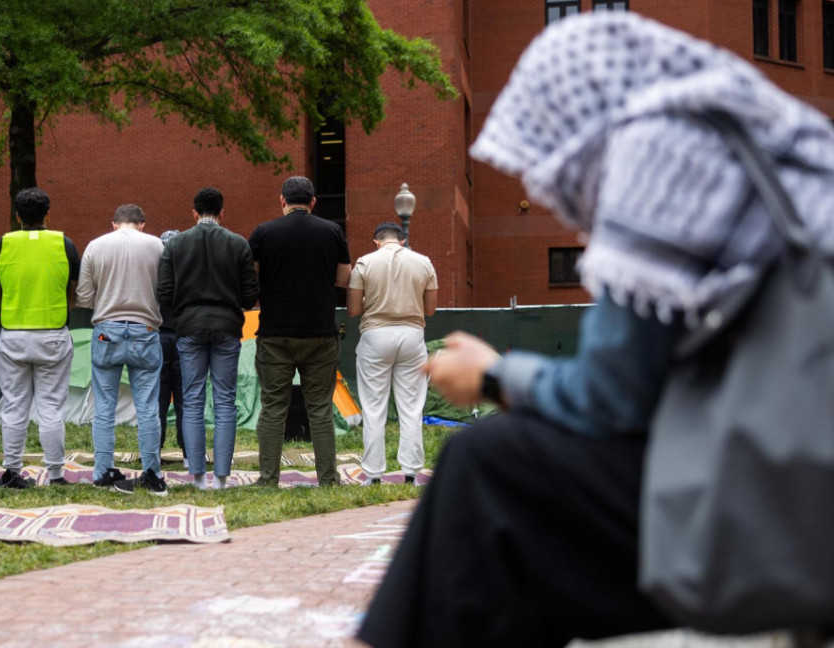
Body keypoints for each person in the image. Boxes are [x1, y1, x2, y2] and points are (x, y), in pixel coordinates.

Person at [357, 12, 834, 648]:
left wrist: (494, 374)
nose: (547, 189)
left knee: (489, 463)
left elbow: (612, 398)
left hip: (782, 510)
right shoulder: (777, 147)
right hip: (803, 474)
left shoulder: (658, 153)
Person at [248, 176, 350, 487]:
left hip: (275, 333)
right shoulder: (332, 231)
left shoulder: (263, 233)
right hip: (320, 333)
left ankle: (267, 479)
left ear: (282, 200)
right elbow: (344, 279)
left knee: (273, 407)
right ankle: (329, 479)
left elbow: (252, 285)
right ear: (313, 202)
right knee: (319, 409)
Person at [158, 187, 258, 489]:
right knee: (226, 400)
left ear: (194, 212)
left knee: (191, 400)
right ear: (222, 212)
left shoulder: (176, 245)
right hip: (228, 327)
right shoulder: (238, 244)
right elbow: (251, 296)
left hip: (188, 328)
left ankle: (199, 477)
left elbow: (163, 293)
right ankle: (222, 478)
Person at [0, 187, 80, 489]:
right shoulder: (63, 244)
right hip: (53, 333)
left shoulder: (3, 244)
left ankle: (12, 470)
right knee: (51, 407)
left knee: (14, 405)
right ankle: (55, 474)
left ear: (17, 216)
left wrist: (8, 308)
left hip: (13, 334)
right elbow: (73, 289)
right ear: (47, 214)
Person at [76, 204, 167, 495]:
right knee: (148, 407)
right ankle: (152, 473)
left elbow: (85, 297)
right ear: (142, 224)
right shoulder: (158, 246)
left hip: (107, 331)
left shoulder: (96, 245)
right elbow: (166, 290)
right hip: (146, 330)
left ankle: (103, 472)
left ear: (114, 224)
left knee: (104, 406)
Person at [346, 222, 437, 486]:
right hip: (412, 335)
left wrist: (372, 299)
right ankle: (411, 473)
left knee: (374, 407)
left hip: (375, 335)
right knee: (411, 406)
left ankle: (373, 474)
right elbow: (430, 309)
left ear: (376, 242)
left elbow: (353, 309)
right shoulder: (424, 263)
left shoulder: (364, 263)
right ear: (402, 241)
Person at [156, 230, 187, 469]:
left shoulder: (153, 274)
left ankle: (153, 452)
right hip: (185, 340)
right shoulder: (190, 273)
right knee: (186, 401)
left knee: (157, 400)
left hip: (157, 338)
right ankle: (189, 455)